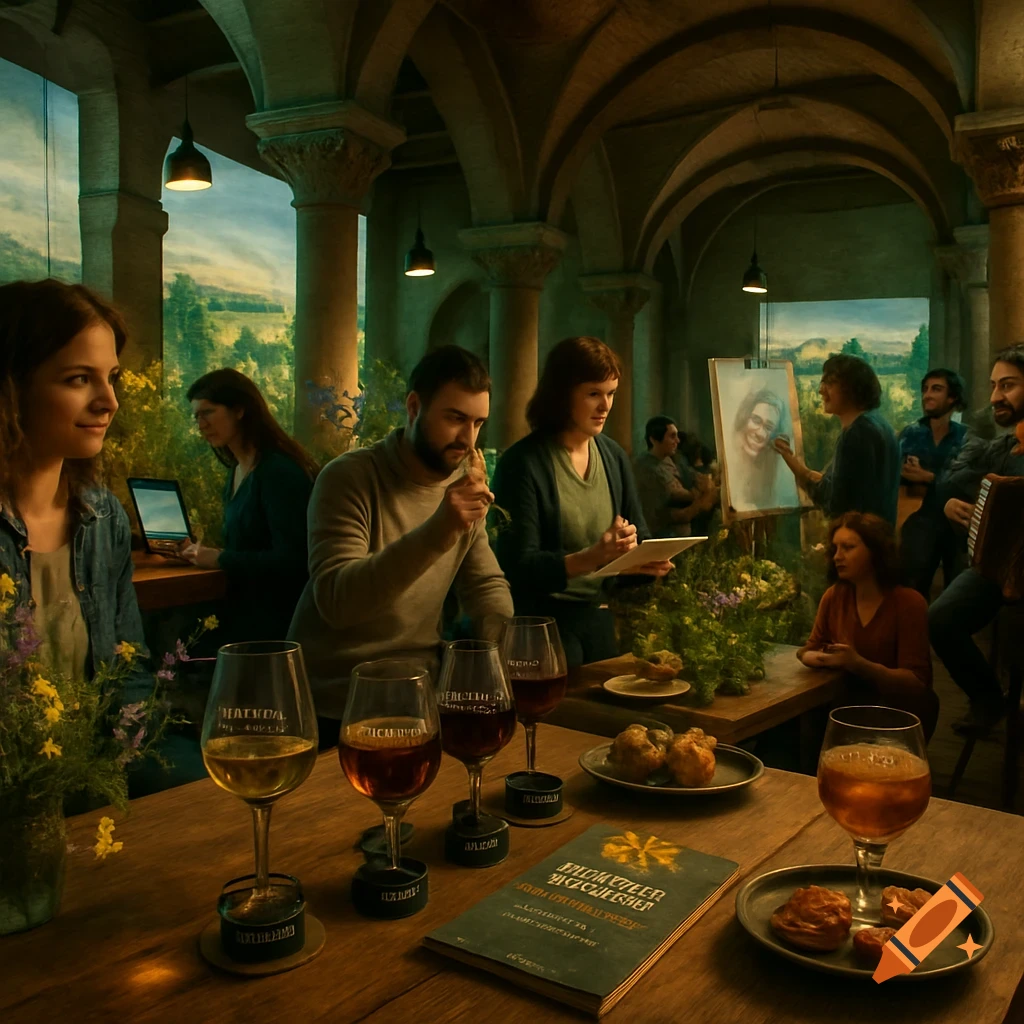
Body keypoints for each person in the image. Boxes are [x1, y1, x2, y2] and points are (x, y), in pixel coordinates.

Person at [288, 346, 513, 739]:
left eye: (479, 423)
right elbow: (338, 602)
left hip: (421, 695)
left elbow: (485, 585)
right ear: (413, 406)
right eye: (455, 418)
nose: (468, 438)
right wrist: (440, 529)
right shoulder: (349, 478)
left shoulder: (462, 482)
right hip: (335, 703)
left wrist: (501, 658)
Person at [0, 280, 149, 694]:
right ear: (12, 388)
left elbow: (129, 673)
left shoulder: (102, 517)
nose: (109, 401)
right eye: (79, 379)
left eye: (112, 378)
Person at [491, 336, 672, 669]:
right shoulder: (523, 464)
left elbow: (637, 536)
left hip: (597, 620)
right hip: (540, 628)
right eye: (593, 393)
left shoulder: (613, 456)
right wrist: (592, 558)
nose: (605, 406)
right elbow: (517, 566)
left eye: (611, 394)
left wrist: (646, 563)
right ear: (561, 394)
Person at [928, 344, 1024, 737]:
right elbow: (952, 479)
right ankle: (988, 698)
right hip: (996, 566)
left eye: (1009, 385)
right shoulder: (1003, 448)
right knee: (940, 619)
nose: (996, 396)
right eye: (993, 385)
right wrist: (951, 504)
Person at [181, 368, 318, 642]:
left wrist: (219, 558)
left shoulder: (278, 472)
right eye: (196, 416)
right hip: (245, 617)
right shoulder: (237, 470)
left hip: (279, 627)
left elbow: (294, 561)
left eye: (208, 412)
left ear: (240, 410)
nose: (201, 424)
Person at [797, 511, 938, 741]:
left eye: (848, 548)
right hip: (845, 706)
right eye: (835, 548)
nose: (837, 557)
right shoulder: (835, 596)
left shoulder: (908, 603)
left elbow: (917, 683)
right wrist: (817, 657)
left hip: (895, 715)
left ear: (876, 552)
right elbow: (809, 648)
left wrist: (858, 664)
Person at [774, 353, 901, 524]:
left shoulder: (857, 434)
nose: (821, 390)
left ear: (852, 388)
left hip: (860, 541)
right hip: (874, 540)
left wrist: (801, 474)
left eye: (830, 383)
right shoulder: (875, 424)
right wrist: (796, 465)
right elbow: (841, 487)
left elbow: (835, 505)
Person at [897, 368, 968, 598]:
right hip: (919, 523)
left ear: (953, 397)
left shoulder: (966, 437)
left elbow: (965, 482)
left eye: (936, 389)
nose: (927, 395)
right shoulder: (911, 434)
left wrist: (928, 477)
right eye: (925, 389)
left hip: (956, 528)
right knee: (912, 593)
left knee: (957, 596)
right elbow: (898, 476)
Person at [633, 416, 718, 538]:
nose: (678, 441)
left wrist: (705, 485)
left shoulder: (672, 458)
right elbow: (680, 501)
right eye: (672, 436)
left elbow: (697, 478)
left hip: (681, 534)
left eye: (677, 436)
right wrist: (703, 497)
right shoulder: (647, 469)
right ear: (654, 439)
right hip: (661, 538)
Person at [728, 387, 797, 511]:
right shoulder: (729, 456)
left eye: (769, 427)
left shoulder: (770, 470)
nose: (760, 433)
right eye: (756, 420)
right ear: (744, 417)